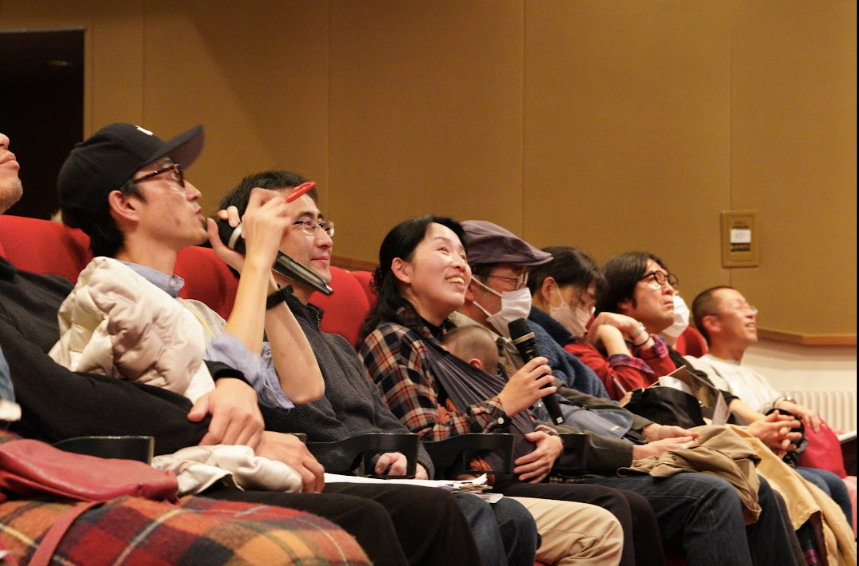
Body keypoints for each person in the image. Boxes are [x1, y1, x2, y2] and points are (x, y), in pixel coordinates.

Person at [0, 128, 481, 566]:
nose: (194, 192)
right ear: (125, 204)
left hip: (221, 463)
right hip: (185, 471)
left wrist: (260, 271)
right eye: (172, 177)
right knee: (380, 516)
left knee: (431, 511)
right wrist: (255, 264)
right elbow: (201, 400)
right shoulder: (108, 288)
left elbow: (304, 387)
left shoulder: (191, 309)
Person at [216, 169, 626, 566]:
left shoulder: (339, 343)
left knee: (517, 517)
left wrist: (415, 462)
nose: (325, 239)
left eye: (323, 225)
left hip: (413, 480)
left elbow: (396, 430)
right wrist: (390, 458)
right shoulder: (252, 336)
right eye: (305, 224)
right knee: (508, 512)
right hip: (346, 487)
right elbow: (316, 425)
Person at [369, 216, 801, 566]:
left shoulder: (467, 337)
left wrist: (552, 438)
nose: (459, 265)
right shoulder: (396, 338)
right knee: (702, 493)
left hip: (542, 462)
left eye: (463, 255)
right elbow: (423, 439)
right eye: (444, 251)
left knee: (743, 481)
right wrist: (506, 404)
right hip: (486, 480)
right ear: (402, 269)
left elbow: (552, 410)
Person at [689, 286, 853, 528]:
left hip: (780, 455)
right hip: (746, 457)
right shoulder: (700, 368)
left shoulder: (755, 375)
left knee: (834, 482)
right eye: (739, 306)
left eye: (750, 307)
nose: (751, 314)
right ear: (712, 323)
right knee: (820, 482)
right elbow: (723, 419)